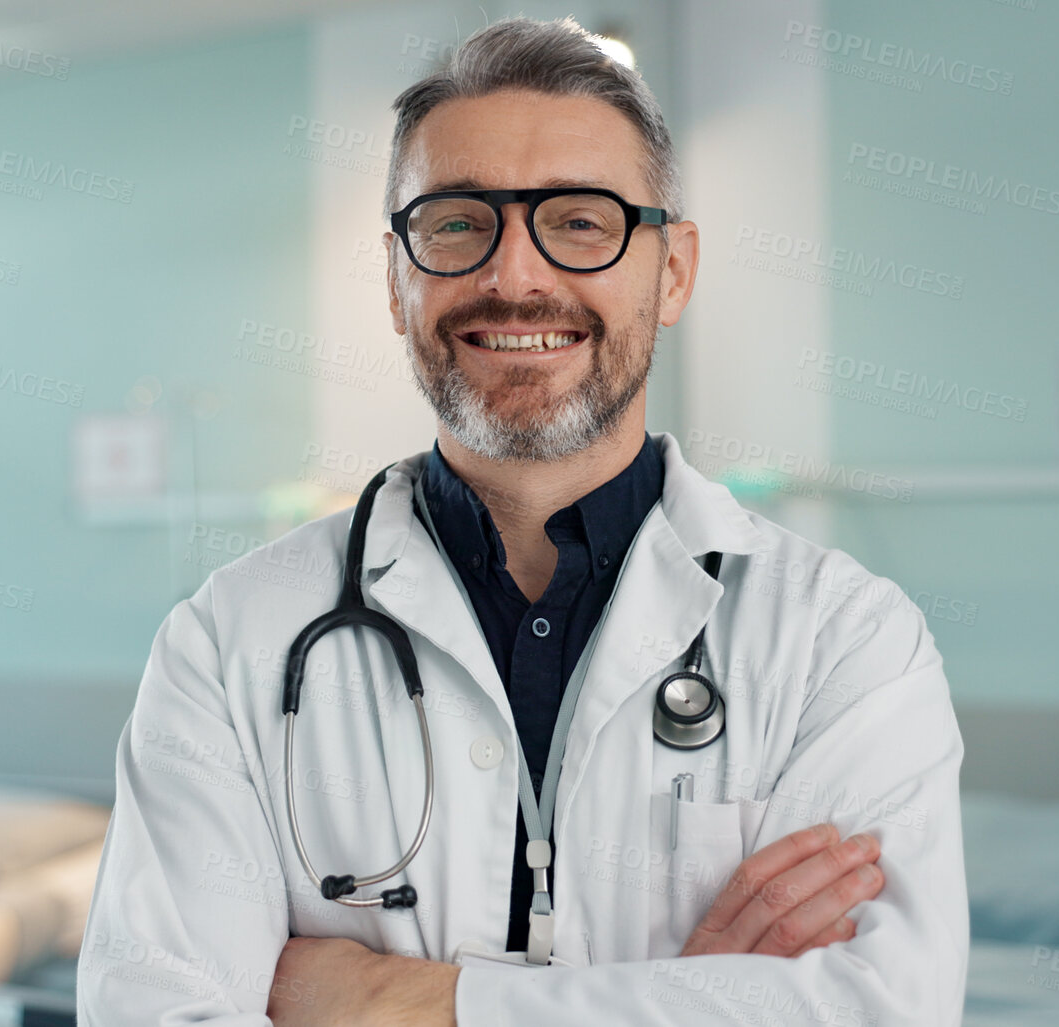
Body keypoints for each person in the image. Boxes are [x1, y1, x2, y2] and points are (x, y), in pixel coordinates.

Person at [79, 15, 967, 1025]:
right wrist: (701, 992)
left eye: (580, 221)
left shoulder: (843, 643)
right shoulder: (228, 643)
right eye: (458, 222)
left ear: (672, 269)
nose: (516, 276)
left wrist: (385, 1001)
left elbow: (878, 1010)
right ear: (395, 275)